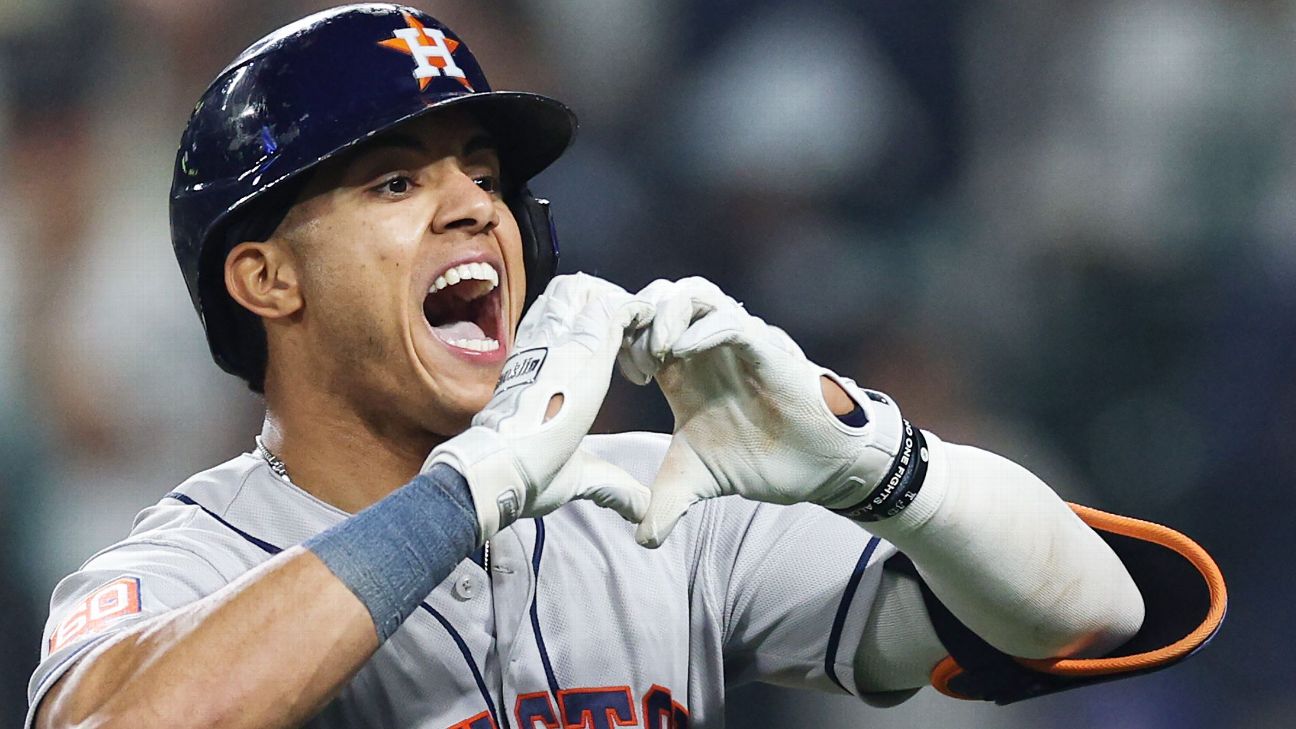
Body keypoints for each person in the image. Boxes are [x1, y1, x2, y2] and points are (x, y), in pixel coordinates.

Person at [27, 5, 1225, 728]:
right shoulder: (184, 563)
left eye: (485, 176)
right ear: (266, 279)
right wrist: (465, 494)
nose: (475, 208)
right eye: (396, 181)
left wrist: (880, 462)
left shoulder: (655, 500)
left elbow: (1106, 609)